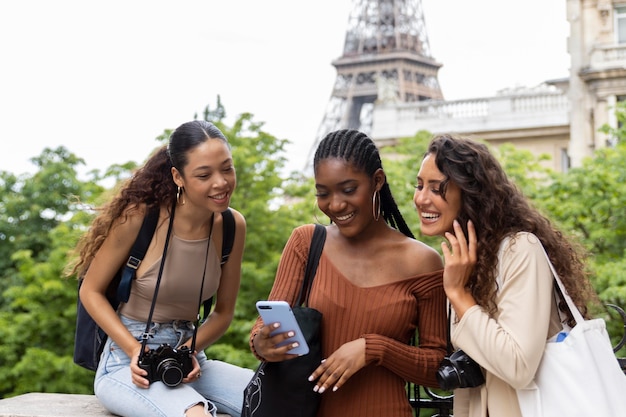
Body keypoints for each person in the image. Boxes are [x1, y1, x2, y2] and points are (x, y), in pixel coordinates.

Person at [250, 129, 448, 417]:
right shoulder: (306, 242)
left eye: (348, 189)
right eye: (323, 193)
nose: (335, 205)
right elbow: (262, 327)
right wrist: (262, 343)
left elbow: (437, 369)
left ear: (377, 181)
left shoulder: (423, 261)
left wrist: (374, 349)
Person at [70, 120, 253, 417]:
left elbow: (223, 313)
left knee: (277, 399)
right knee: (194, 414)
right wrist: (133, 350)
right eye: (204, 174)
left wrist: (190, 349)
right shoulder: (141, 218)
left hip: (191, 356)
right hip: (127, 362)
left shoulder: (233, 225)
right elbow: (91, 291)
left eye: (227, 169)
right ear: (178, 177)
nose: (221, 183)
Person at [413, 133, 599, 417]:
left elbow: (517, 366)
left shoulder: (519, 250)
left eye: (436, 188)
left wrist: (458, 294)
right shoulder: (466, 261)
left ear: (469, 192)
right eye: (419, 185)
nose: (421, 198)